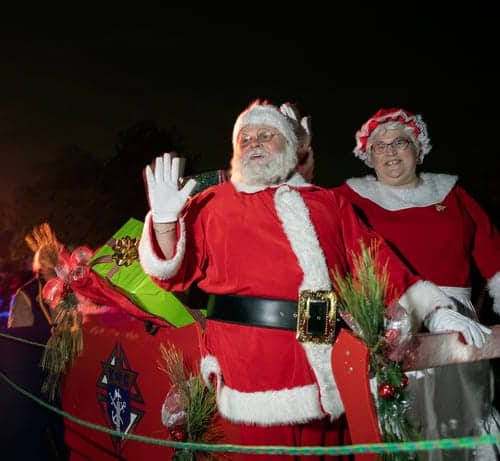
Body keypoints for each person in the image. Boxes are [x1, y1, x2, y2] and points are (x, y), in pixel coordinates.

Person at [137, 100, 491, 460]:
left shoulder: (328, 203)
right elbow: (174, 274)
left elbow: (377, 264)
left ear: (290, 147)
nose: (254, 142)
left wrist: (435, 311)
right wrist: (166, 223)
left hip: (329, 369)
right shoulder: (214, 202)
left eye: (265, 135)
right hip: (253, 376)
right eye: (244, 138)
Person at [333, 107, 500, 460]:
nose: (391, 152)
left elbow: (492, 251)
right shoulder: (347, 200)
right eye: (380, 146)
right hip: (388, 322)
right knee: (399, 420)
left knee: (463, 417)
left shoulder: (453, 194)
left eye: (400, 143)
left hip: (456, 324)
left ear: (418, 148)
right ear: (367, 155)